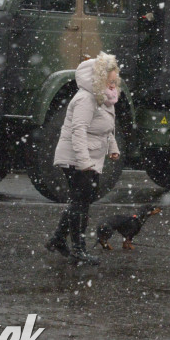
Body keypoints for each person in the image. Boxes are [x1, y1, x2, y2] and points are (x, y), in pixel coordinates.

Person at [45, 52, 121, 266]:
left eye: (114, 80)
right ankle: (78, 249)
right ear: (99, 78)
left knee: (83, 198)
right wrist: (83, 162)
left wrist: (112, 147)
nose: (113, 83)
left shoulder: (104, 98)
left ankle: (58, 239)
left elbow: (106, 128)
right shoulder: (86, 99)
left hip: (88, 158)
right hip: (76, 158)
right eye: (110, 80)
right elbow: (78, 131)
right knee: (80, 202)